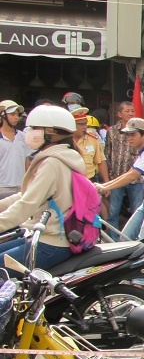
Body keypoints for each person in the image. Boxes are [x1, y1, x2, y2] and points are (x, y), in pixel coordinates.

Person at [0, 106, 86, 271]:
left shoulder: (52, 163)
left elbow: (26, 205)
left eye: (35, 128)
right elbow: (25, 196)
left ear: (52, 133)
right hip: (45, 237)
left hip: (51, 243)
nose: (30, 132)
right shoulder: (59, 158)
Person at [103, 101, 143, 230]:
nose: (131, 113)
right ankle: (113, 240)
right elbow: (107, 154)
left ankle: (135, 239)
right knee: (113, 212)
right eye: (127, 111)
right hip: (117, 177)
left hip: (136, 178)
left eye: (132, 111)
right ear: (119, 114)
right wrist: (108, 177)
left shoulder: (140, 130)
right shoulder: (112, 131)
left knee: (137, 212)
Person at [0, 99, 30, 200]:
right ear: (2, 115)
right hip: (2, 187)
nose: (16, 117)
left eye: (17, 114)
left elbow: (27, 162)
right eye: (12, 114)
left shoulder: (23, 136)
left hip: (21, 187)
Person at [72, 108, 107, 183]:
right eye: (81, 124)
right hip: (71, 182)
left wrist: (106, 182)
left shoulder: (93, 140)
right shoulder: (65, 141)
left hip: (89, 180)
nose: (85, 127)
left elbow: (101, 162)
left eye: (85, 123)